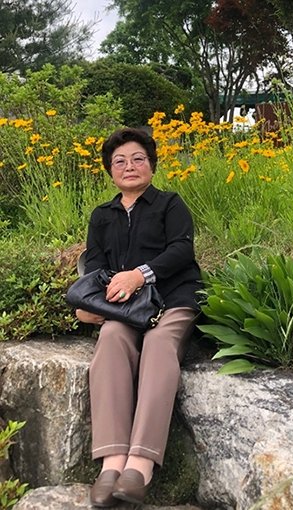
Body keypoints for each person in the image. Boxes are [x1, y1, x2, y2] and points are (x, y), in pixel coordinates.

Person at [75, 127, 202, 508]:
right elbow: (94, 264)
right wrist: (93, 303)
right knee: (111, 338)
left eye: (138, 159)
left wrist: (139, 274)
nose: (129, 166)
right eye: (120, 161)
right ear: (110, 171)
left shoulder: (169, 204)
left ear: (152, 165)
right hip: (124, 309)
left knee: (161, 343)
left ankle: (140, 463)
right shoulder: (102, 215)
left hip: (172, 298)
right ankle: (112, 461)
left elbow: (182, 250)